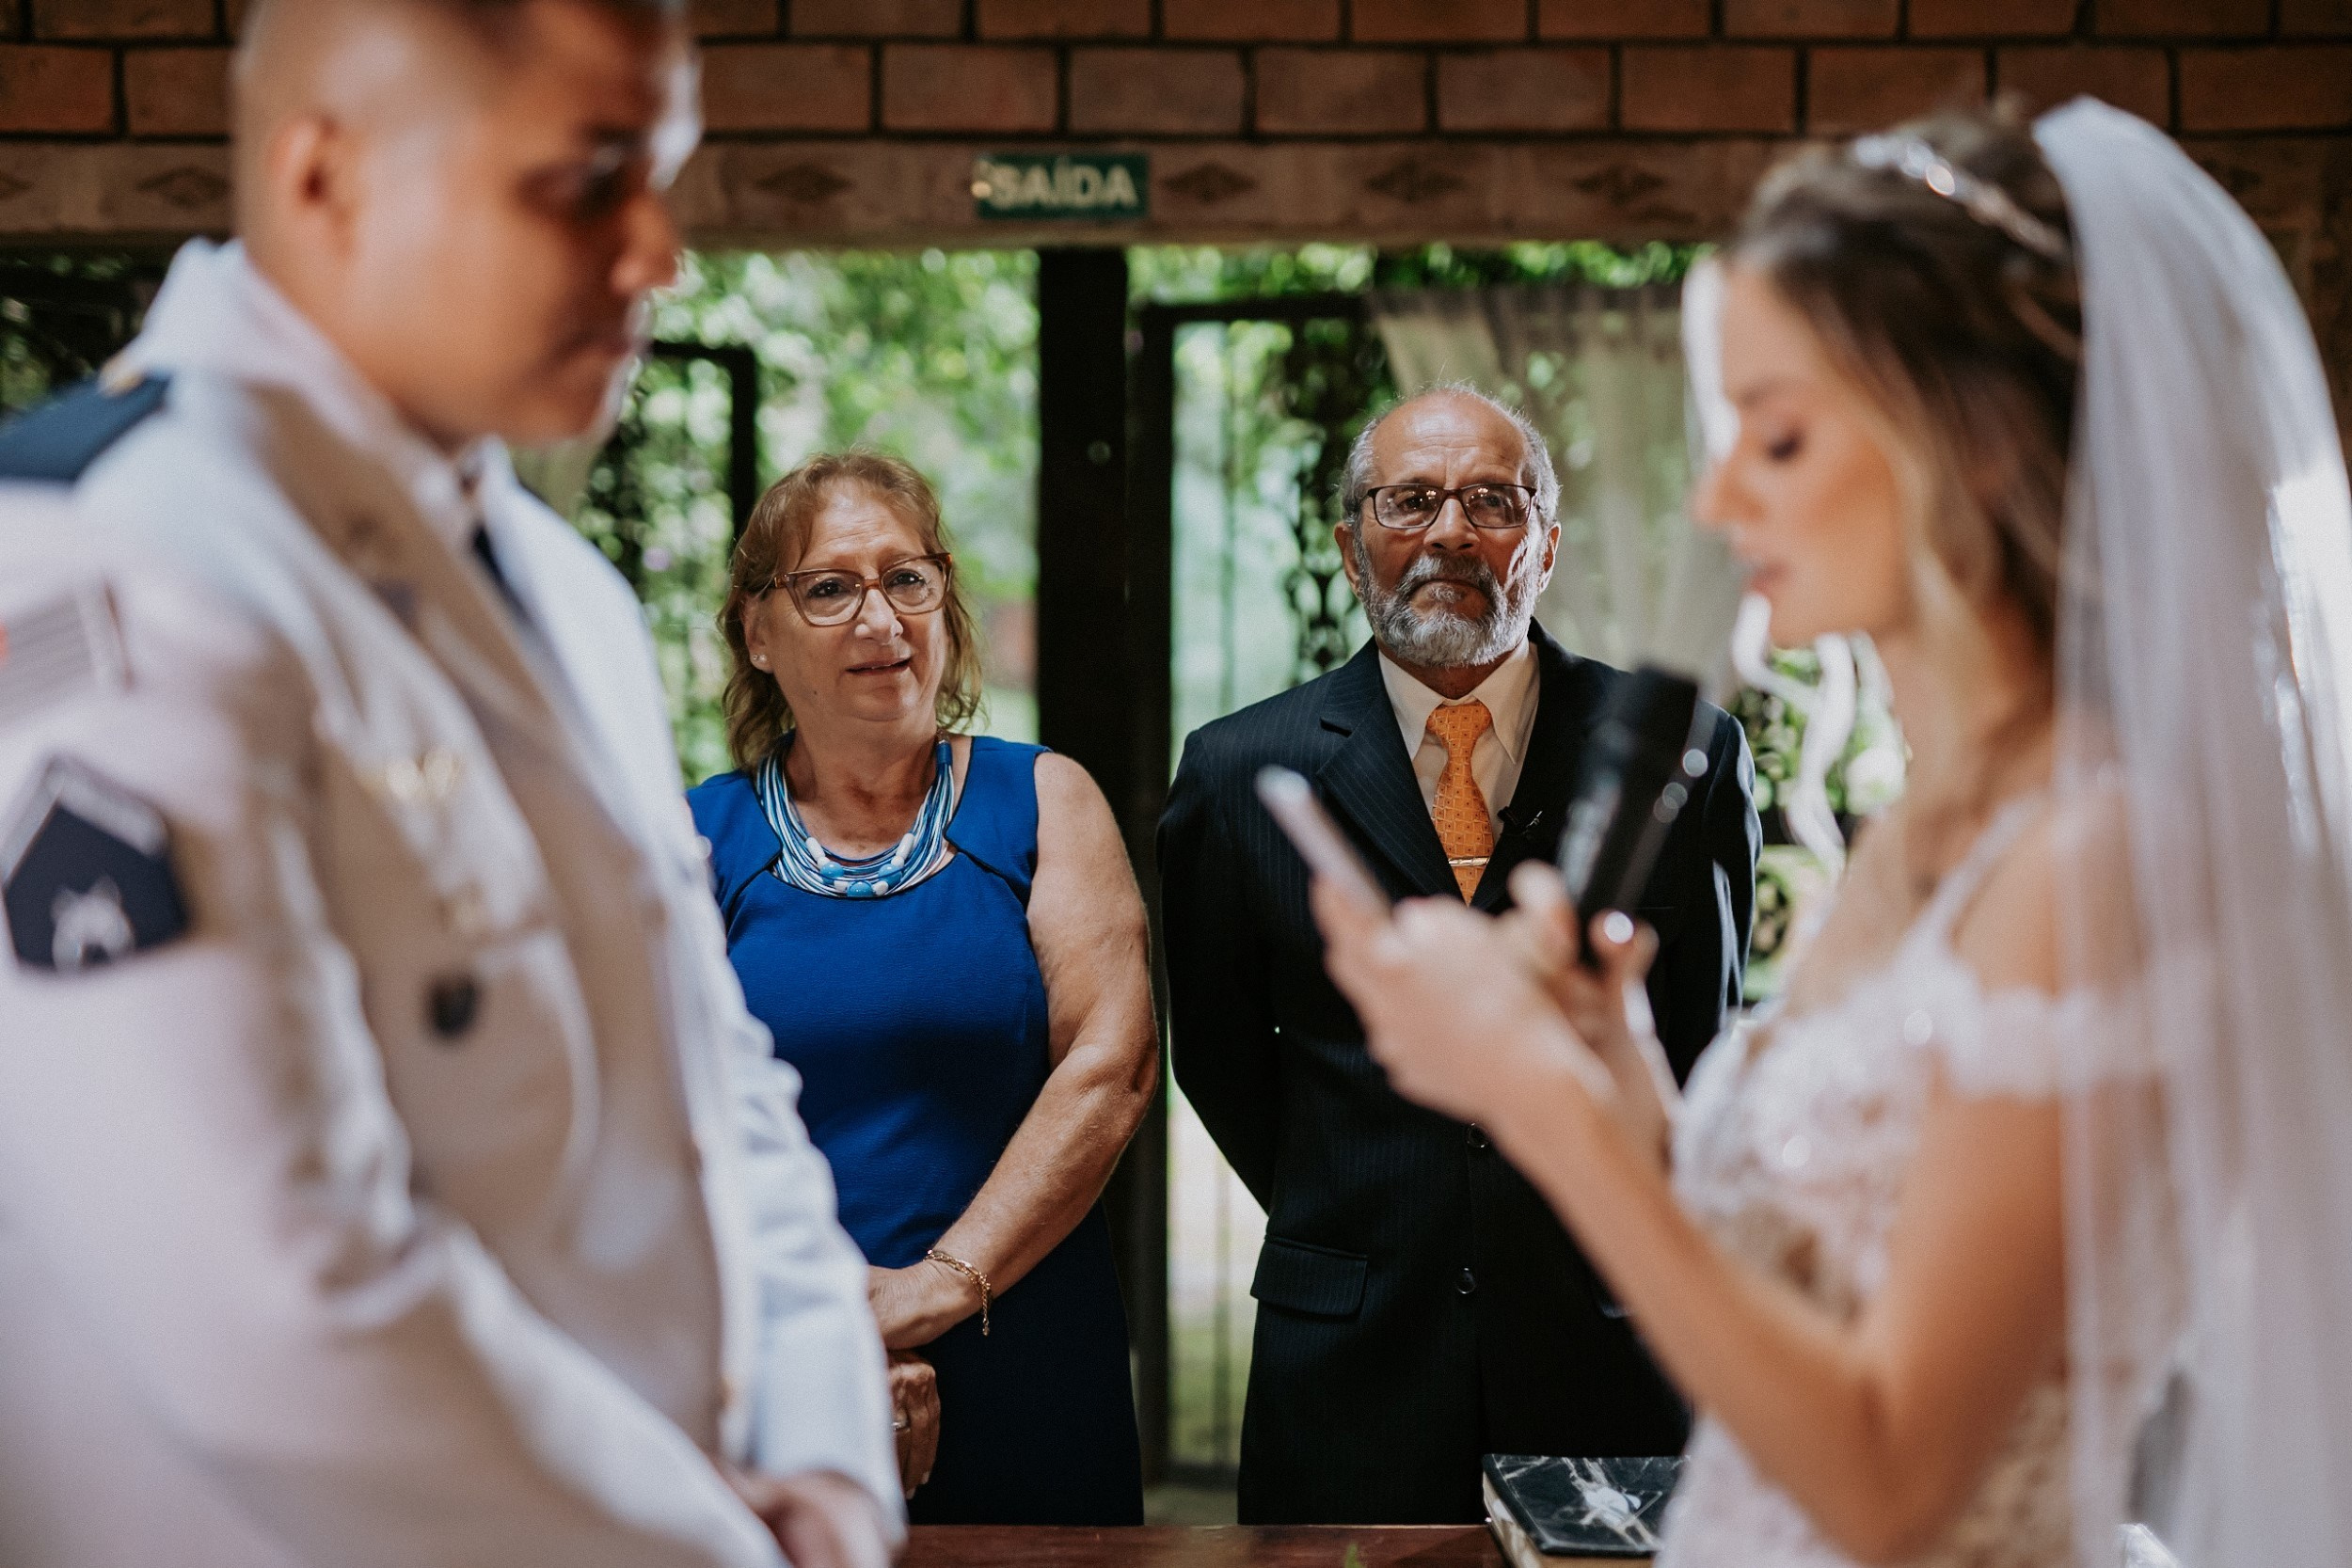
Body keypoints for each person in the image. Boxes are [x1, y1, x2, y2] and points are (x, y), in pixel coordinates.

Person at [1316, 98, 2352, 1568]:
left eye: (1780, 434)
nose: (1717, 492)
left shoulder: (2093, 854)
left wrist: (1529, 1090)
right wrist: (1618, 1083)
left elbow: (1893, 1481)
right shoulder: (1935, 811)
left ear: (1973, 440)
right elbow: (1815, 1281)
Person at [0, 3, 903, 1566]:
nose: (656, 252)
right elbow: (272, 1306)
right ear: (323, 177)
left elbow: (717, 1090)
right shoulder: (115, 570)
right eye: (584, 180)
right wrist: (722, 1550)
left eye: (664, 174)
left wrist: (826, 1464)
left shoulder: (562, 590)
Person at [1158, 385, 1759, 1524]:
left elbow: (1700, 1034)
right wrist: (1357, 1197)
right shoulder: (1238, 769)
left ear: (1544, 541)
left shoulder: (1681, 753)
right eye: (1410, 500)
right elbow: (1220, 1058)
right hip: (1348, 1346)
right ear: (1350, 546)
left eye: (1492, 498)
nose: (1449, 531)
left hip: (1604, 1336)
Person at [688, 451, 1156, 1527]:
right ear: (757, 632)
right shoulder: (691, 838)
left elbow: (1111, 1069)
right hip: (772, 1360)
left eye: (909, 578)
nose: (880, 617)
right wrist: (829, 1330)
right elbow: (655, 1115)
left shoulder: (1042, 798)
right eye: (829, 586)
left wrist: (934, 1288)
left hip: (1024, 1343)